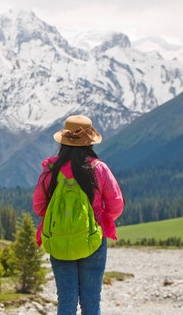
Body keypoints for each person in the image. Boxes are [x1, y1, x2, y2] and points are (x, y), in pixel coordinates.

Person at [33, 115, 124, 315]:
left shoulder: (50, 169)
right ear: (89, 142)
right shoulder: (98, 168)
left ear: (64, 142)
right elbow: (116, 206)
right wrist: (97, 221)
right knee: (91, 302)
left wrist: (61, 219)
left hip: (58, 239)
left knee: (66, 300)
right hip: (92, 238)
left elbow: (39, 207)